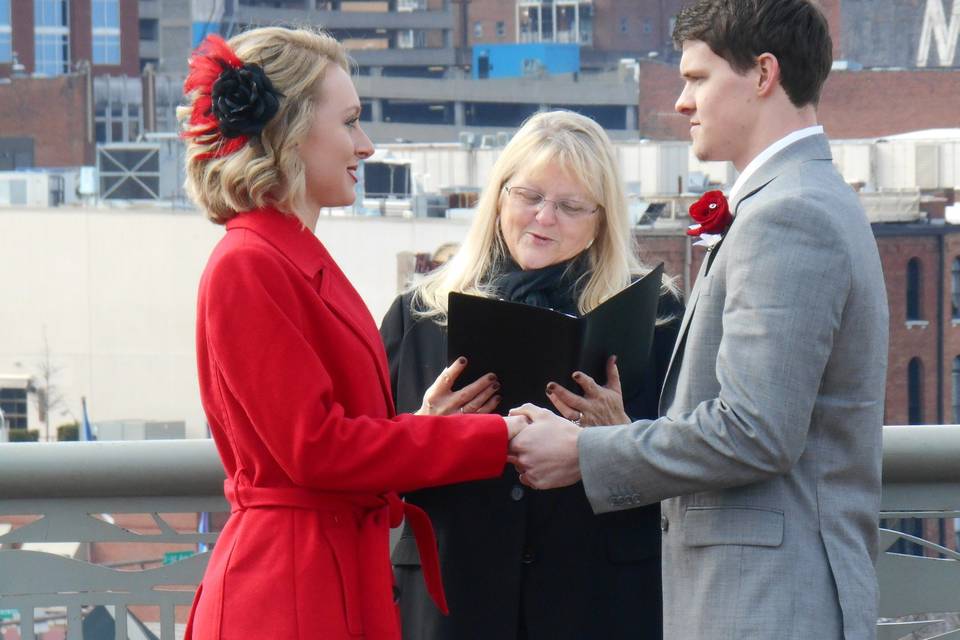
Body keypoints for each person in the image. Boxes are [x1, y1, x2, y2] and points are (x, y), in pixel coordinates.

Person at [508, 2, 889, 638]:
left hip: (768, 607)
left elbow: (755, 430)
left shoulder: (789, 216)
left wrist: (586, 451)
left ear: (763, 74)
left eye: (697, 78)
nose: (682, 101)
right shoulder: (801, 200)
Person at [178, 27, 526, 640]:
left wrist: (425, 427)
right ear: (288, 132)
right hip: (290, 589)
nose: (365, 146)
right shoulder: (251, 263)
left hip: (325, 570)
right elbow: (317, 448)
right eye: (351, 122)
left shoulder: (286, 255)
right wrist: (491, 436)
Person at [381, 110, 682, 640]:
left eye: (570, 206)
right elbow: (368, 467)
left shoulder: (655, 317)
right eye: (529, 196)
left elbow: (691, 460)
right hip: (455, 598)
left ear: (601, 221)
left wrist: (622, 436)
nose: (544, 218)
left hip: (598, 601)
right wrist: (425, 427)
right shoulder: (419, 314)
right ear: (499, 198)